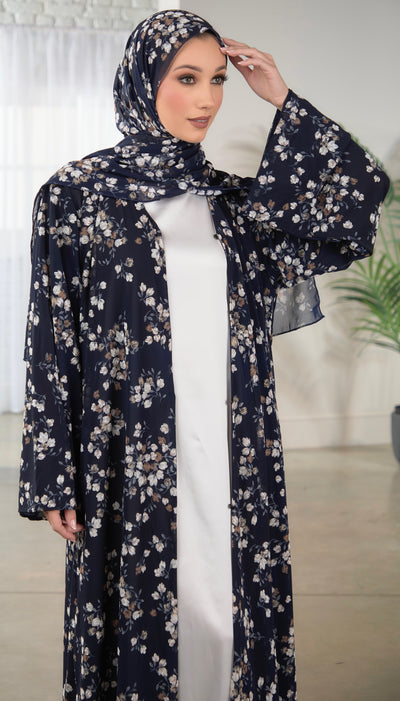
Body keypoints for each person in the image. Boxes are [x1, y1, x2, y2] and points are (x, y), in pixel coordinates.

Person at [18, 9, 389, 701]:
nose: (208, 99)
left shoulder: (236, 207)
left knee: (228, 613)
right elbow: (50, 340)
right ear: (143, 81)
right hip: (131, 451)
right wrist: (52, 475)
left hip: (231, 450)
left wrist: (282, 98)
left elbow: (355, 204)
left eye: (218, 80)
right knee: (145, 615)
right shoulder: (77, 196)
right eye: (187, 78)